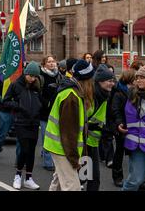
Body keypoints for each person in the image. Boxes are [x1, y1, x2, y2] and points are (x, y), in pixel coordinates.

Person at [44, 60, 95, 191]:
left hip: (60, 146)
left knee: (59, 183)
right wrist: (73, 158)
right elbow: (68, 133)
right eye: (91, 79)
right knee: (73, 187)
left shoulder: (72, 92)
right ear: (86, 80)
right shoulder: (71, 97)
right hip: (63, 148)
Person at [4, 62, 42, 190]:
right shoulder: (15, 85)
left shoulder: (36, 86)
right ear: (26, 73)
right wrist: (18, 106)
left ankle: (29, 178)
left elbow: (39, 101)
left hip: (34, 123)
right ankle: (18, 175)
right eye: (31, 76)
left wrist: (40, 108)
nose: (33, 78)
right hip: (21, 122)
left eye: (35, 76)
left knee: (31, 151)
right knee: (24, 149)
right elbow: (6, 101)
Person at [85, 64, 116, 191]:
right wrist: (92, 126)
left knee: (93, 178)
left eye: (113, 81)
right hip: (82, 144)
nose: (112, 84)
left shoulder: (104, 95)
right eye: (109, 81)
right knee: (83, 176)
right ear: (100, 82)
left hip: (92, 143)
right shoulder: (89, 97)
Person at [110, 69, 136, 187]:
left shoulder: (135, 91)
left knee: (135, 154)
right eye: (135, 78)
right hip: (122, 127)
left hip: (133, 126)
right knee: (119, 152)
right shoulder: (119, 92)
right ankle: (117, 176)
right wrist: (119, 123)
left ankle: (136, 178)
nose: (137, 80)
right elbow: (115, 110)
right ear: (130, 79)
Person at [40, 55, 63, 171]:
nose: (52, 63)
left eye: (53, 61)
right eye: (49, 62)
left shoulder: (59, 76)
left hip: (57, 112)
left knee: (55, 137)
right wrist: (47, 103)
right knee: (46, 136)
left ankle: (45, 153)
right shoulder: (41, 77)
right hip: (45, 112)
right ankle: (48, 163)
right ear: (44, 64)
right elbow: (39, 94)